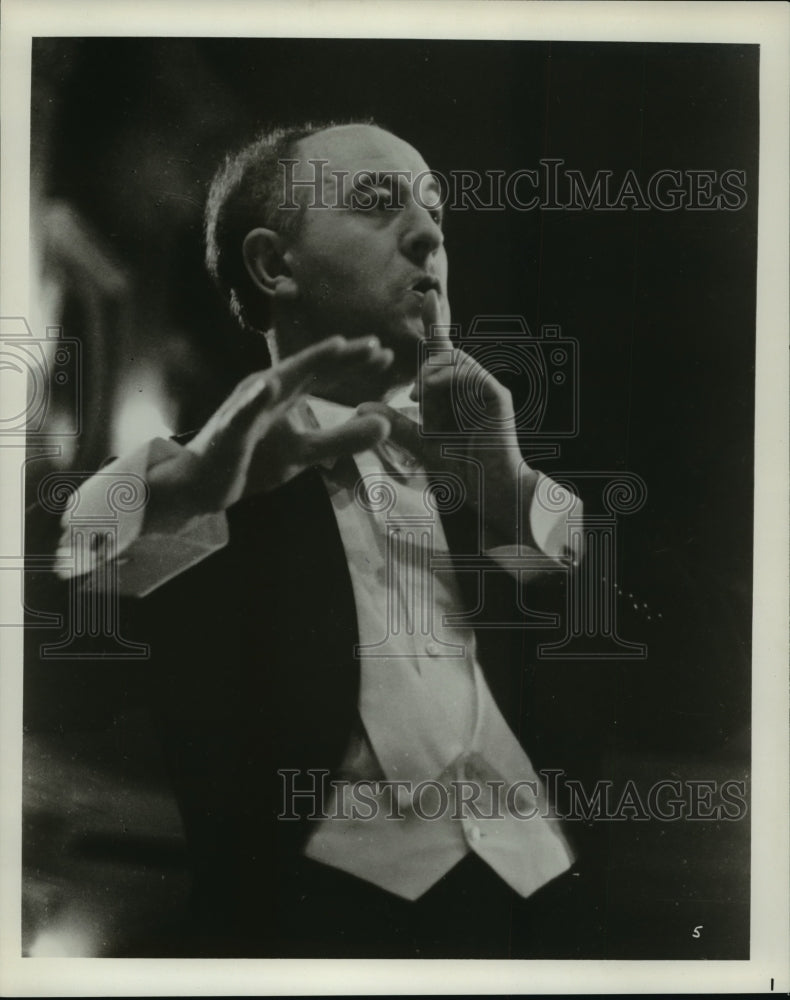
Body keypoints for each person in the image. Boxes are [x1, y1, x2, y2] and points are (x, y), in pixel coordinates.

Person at [49, 121, 598, 958]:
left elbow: (662, 656)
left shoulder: (488, 475)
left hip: (543, 914)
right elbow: (55, 621)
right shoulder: (189, 480)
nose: (428, 235)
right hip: (314, 928)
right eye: (378, 204)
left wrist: (512, 488)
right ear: (274, 266)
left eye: (436, 213)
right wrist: (187, 492)